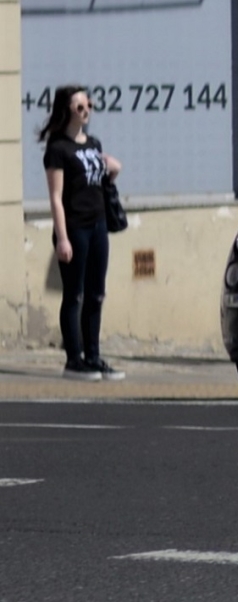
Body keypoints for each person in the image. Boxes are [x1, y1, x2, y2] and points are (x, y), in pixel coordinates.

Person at [40, 86, 123, 381]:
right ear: (67, 111)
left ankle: (93, 356)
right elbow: (56, 198)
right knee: (74, 295)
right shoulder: (58, 149)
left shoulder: (93, 143)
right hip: (74, 228)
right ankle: (74, 360)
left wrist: (112, 170)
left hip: (98, 224)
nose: (86, 110)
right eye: (79, 106)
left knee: (96, 294)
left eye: (88, 104)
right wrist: (62, 238)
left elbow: (99, 180)